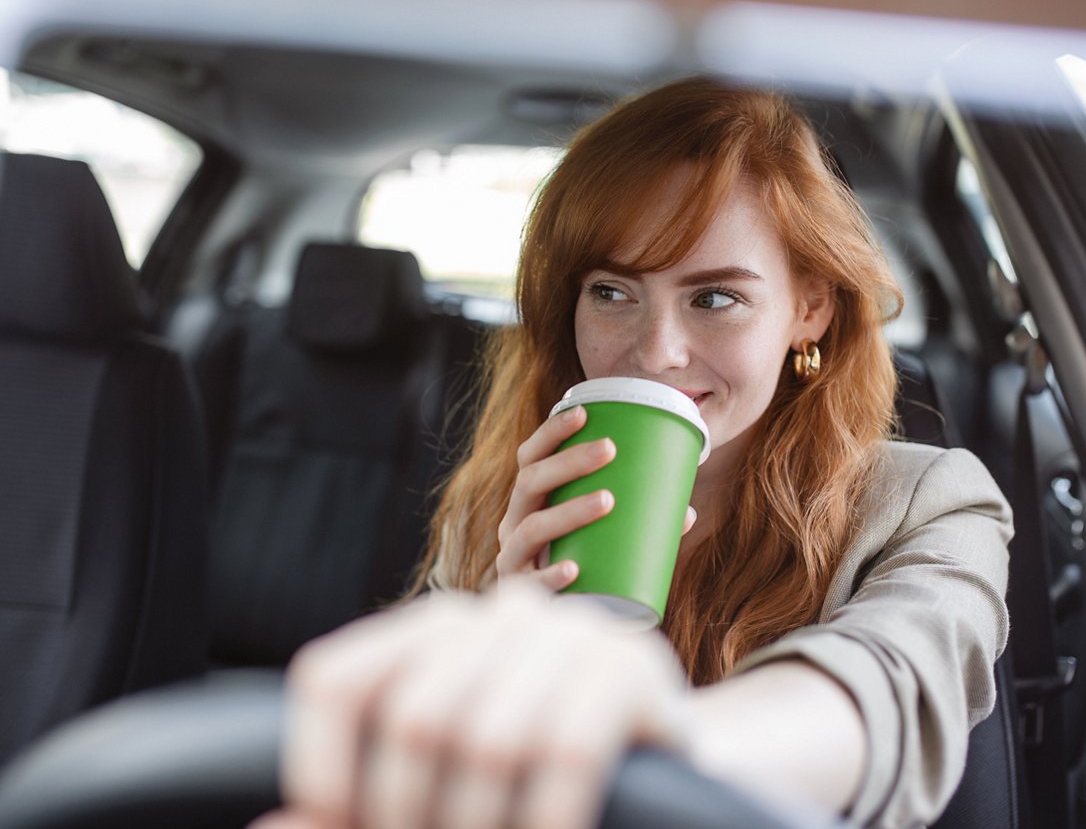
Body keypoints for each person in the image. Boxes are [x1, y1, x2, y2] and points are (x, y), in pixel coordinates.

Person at [257, 76, 1012, 829]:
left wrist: (657, 743)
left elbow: (884, 691)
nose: (656, 352)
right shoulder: (510, 501)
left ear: (808, 310)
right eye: (613, 292)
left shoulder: (931, 505)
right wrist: (512, 616)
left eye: (715, 298)